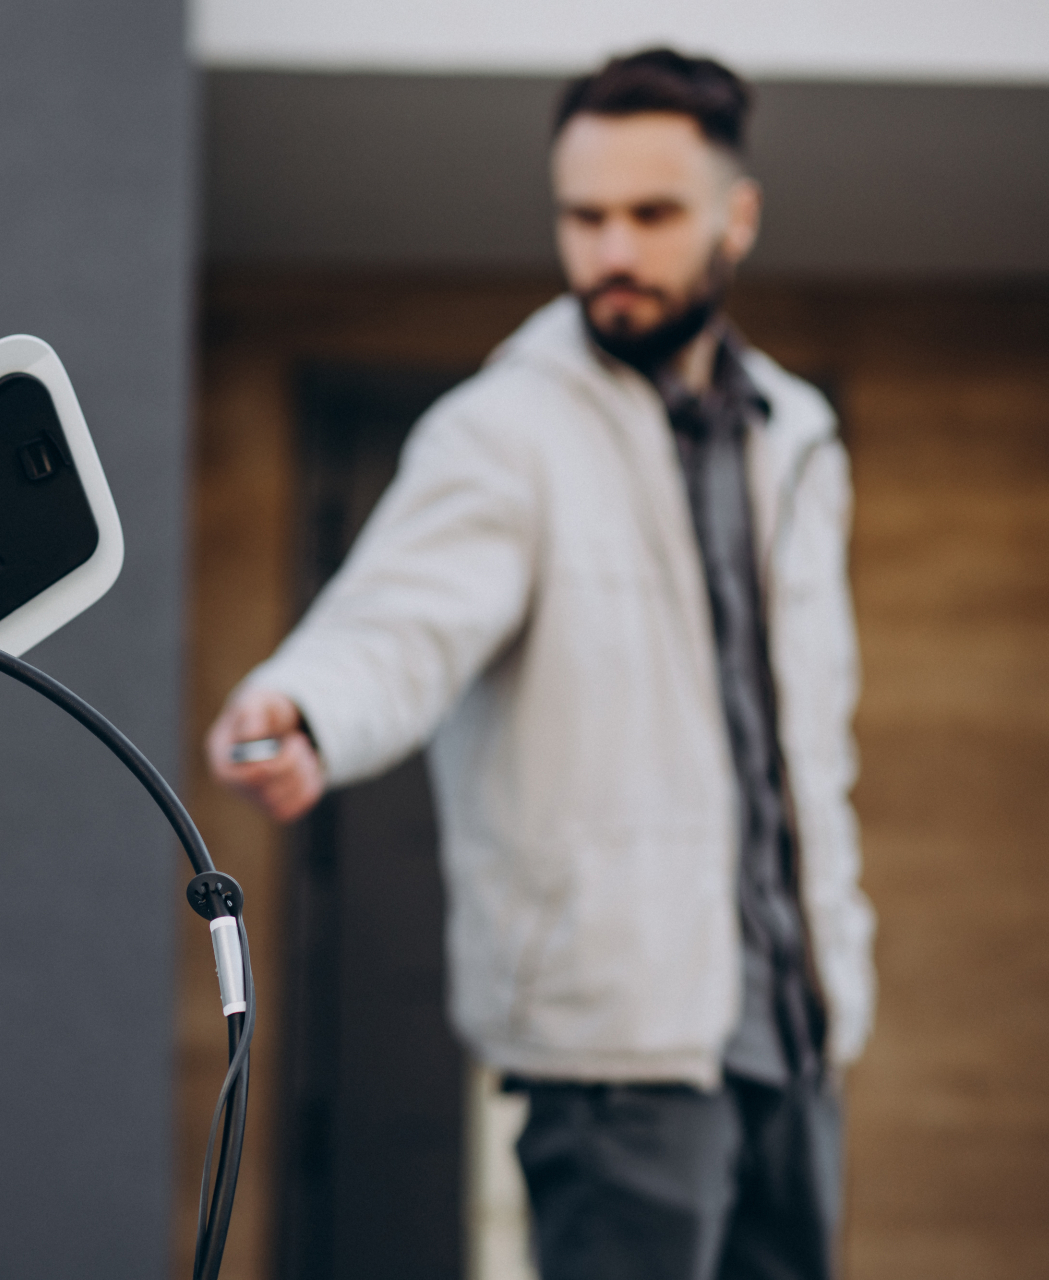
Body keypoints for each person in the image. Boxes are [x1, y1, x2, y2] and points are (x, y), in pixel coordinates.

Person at [205, 49, 874, 1280]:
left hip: (796, 1032)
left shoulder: (795, 438)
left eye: (651, 214)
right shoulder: (504, 430)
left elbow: (809, 749)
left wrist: (839, 957)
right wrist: (310, 706)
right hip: (615, 1050)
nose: (612, 249)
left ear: (736, 217)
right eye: (584, 215)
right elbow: (397, 620)